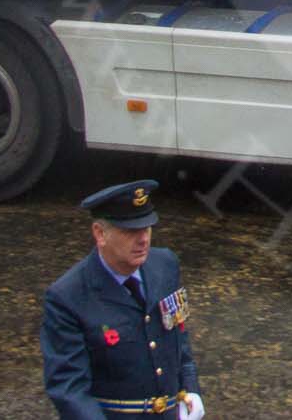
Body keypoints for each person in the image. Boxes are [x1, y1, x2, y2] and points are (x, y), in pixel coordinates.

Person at [41, 180, 203, 420]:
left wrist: (191, 389)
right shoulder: (68, 297)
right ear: (100, 233)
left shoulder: (165, 266)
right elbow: (69, 389)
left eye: (147, 228)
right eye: (130, 231)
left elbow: (177, 333)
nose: (143, 239)